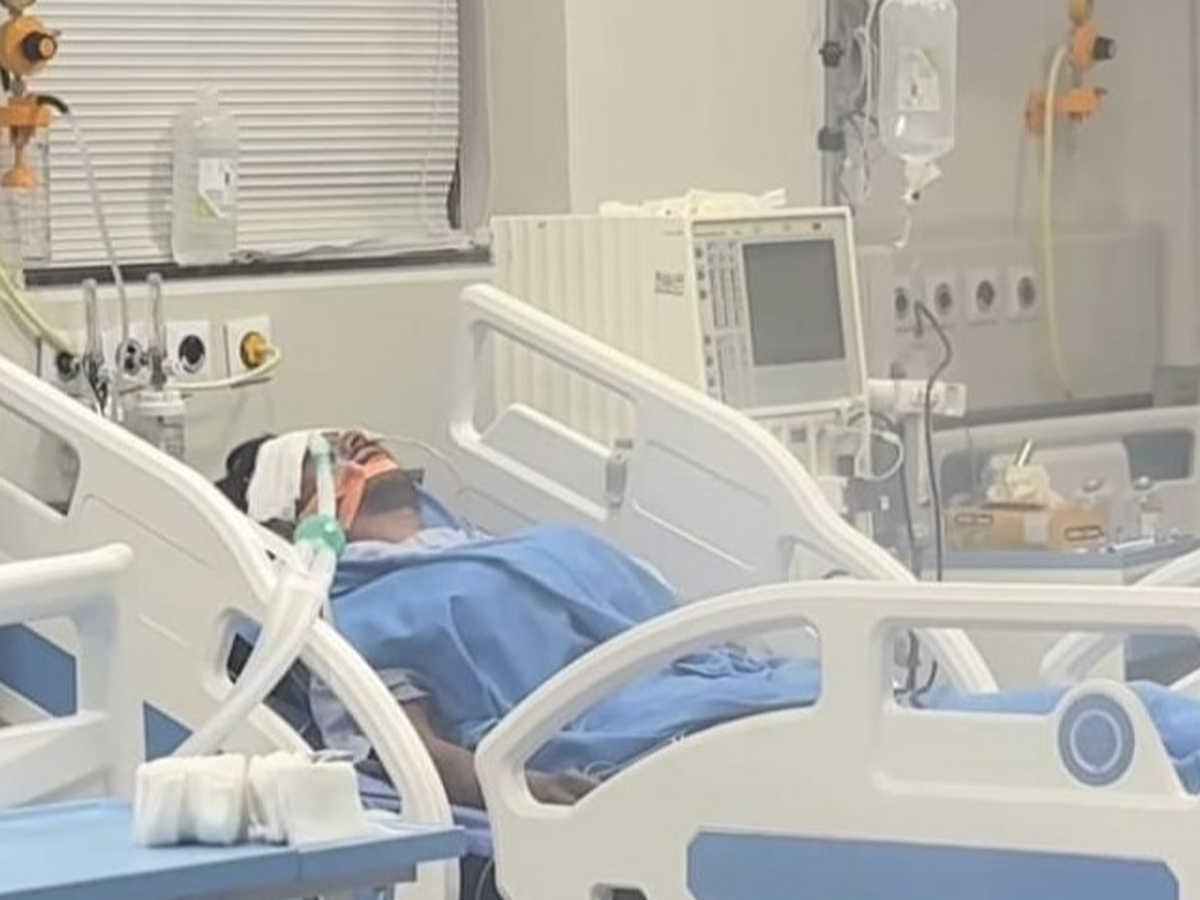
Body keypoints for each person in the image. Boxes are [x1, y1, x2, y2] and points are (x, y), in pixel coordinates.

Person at [217, 431, 1200, 817]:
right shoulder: (344, 606)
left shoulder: (500, 544)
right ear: (297, 507)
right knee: (1132, 738)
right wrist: (533, 790)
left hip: (768, 697)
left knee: (1123, 731)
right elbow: (413, 754)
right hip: (676, 751)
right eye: (333, 447)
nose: (364, 444)